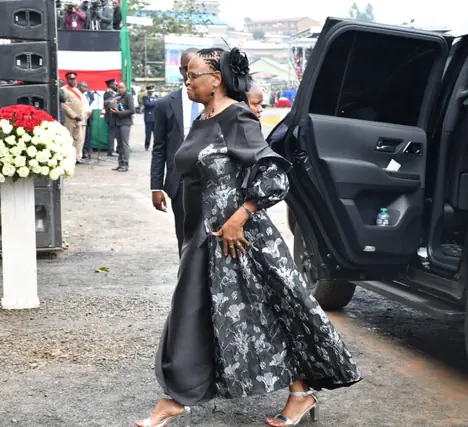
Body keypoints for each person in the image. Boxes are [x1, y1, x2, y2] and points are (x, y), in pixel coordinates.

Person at [136, 47, 361, 427]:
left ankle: (299, 393)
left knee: (273, 311)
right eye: (186, 76)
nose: (186, 81)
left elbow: (274, 176)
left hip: (241, 241)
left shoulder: (237, 116)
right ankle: (177, 396)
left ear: (216, 79)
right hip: (203, 238)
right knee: (195, 311)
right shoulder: (204, 118)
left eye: (192, 75)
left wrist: (241, 216)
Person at [150, 48, 201, 255]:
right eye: (186, 69)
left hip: (210, 181)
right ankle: (187, 283)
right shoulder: (165, 104)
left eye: (196, 69)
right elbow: (159, 148)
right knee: (185, 238)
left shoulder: (218, 102)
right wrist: (156, 187)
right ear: (180, 70)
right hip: (179, 183)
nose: (190, 74)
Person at [61, 72, 87, 164]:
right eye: (70, 79)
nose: (72, 81)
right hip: (70, 119)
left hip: (79, 120)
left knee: (79, 140)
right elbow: (64, 105)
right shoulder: (63, 90)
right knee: (69, 140)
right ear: (67, 80)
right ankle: (68, 158)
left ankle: (76, 157)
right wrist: (74, 115)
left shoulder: (77, 90)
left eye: (74, 79)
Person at [110, 81, 135, 172]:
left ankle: (125, 164)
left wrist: (119, 113)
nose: (120, 89)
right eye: (119, 87)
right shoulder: (117, 97)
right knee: (119, 145)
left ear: (126, 88)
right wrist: (112, 106)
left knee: (124, 144)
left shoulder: (128, 96)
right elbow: (108, 103)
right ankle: (120, 163)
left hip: (125, 123)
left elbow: (132, 110)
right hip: (117, 122)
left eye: (122, 87)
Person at [103, 78, 118, 156]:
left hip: (115, 115)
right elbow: (107, 104)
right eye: (115, 84)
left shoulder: (114, 93)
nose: (116, 85)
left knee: (115, 133)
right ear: (110, 85)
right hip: (110, 115)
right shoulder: (108, 93)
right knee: (111, 133)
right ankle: (110, 151)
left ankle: (116, 149)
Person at [142, 85, 158, 150]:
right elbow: (148, 104)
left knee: (156, 134)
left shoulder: (155, 97)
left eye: (152, 91)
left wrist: (154, 101)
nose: (151, 93)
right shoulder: (145, 97)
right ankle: (147, 145)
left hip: (155, 118)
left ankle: (156, 145)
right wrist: (156, 101)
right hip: (148, 118)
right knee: (148, 133)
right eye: (149, 91)